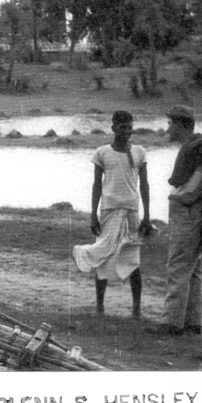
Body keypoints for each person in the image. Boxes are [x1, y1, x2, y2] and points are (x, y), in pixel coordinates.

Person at [147, 105, 202, 336]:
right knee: (192, 268)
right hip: (191, 214)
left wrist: (192, 195)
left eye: (171, 123)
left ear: (181, 125)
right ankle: (191, 322)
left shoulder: (198, 147)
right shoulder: (195, 147)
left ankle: (171, 322)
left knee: (178, 266)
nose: (168, 127)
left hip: (189, 215)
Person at [73, 111, 152, 318]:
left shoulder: (139, 152)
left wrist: (147, 215)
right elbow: (96, 185)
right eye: (122, 128)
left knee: (133, 257)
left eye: (130, 127)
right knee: (103, 254)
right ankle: (100, 306)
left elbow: (144, 185)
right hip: (108, 210)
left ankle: (136, 308)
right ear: (113, 128)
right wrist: (93, 214)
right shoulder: (102, 153)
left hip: (131, 212)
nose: (127, 132)